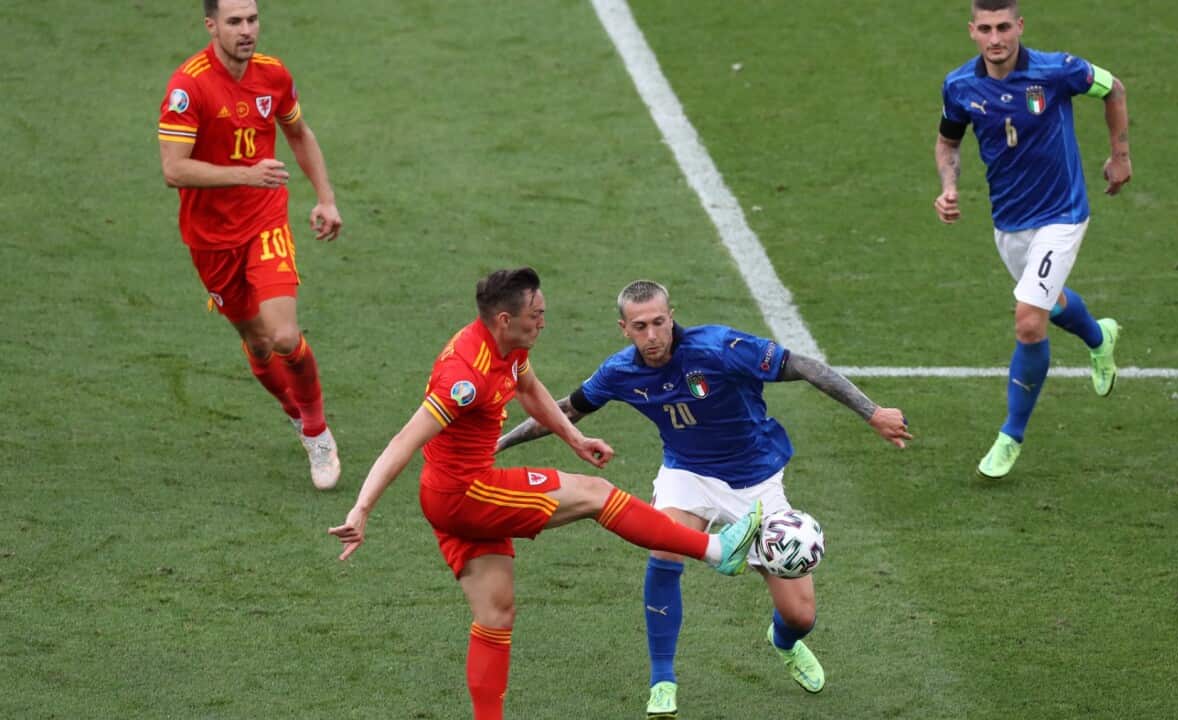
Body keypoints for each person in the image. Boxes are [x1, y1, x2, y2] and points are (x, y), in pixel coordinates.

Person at [327, 268, 763, 720]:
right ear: (503, 318)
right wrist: (361, 509)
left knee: (495, 616)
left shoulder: (509, 347)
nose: (543, 323)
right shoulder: (465, 377)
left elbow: (529, 389)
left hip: (451, 498)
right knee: (595, 494)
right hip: (467, 494)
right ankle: (715, 549)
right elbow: (404, 440)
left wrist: (575, 438)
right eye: (535, 315)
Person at [496, 280, 913, 718]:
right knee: (663, 549)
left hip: (755, 481)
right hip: (687, 474)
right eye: (641, 326)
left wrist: (873, 412)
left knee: (801, 615)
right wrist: (500, 443)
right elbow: (565, 411)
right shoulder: (620, 371)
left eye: (659, 322)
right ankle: (662, 680)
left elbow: (806, 366)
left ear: (671, 316)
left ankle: (783, 641)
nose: (652, 335)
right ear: (624, 328)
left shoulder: (719, 348)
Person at [932, 0, 1131, 478]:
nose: (996, 38)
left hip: (1062, 214)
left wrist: (1119, 154)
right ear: (972, 32)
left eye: (1004, 27)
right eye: (986, 29)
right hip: (1010, 222)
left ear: (1019, 26)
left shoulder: (1058, 71)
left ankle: (1010, 436)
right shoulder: (960, 86)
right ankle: (1099, 336)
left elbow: (1114, 88)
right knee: (1047, 301)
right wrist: (949, 187)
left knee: (1028, 321)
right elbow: (949, 141)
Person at [157, 0, 342, 489]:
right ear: (211, 25)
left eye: (253, 20)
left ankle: (319, 433)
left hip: (265, 223)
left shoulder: (273, 75)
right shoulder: (188, 86)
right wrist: (246, 173)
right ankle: (295, 413)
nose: (247, 31)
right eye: (235, 21)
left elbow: (298, 133)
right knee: (257, 343)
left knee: (284, 336)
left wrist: (326, 199)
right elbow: (173, 170)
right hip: (210, 240)